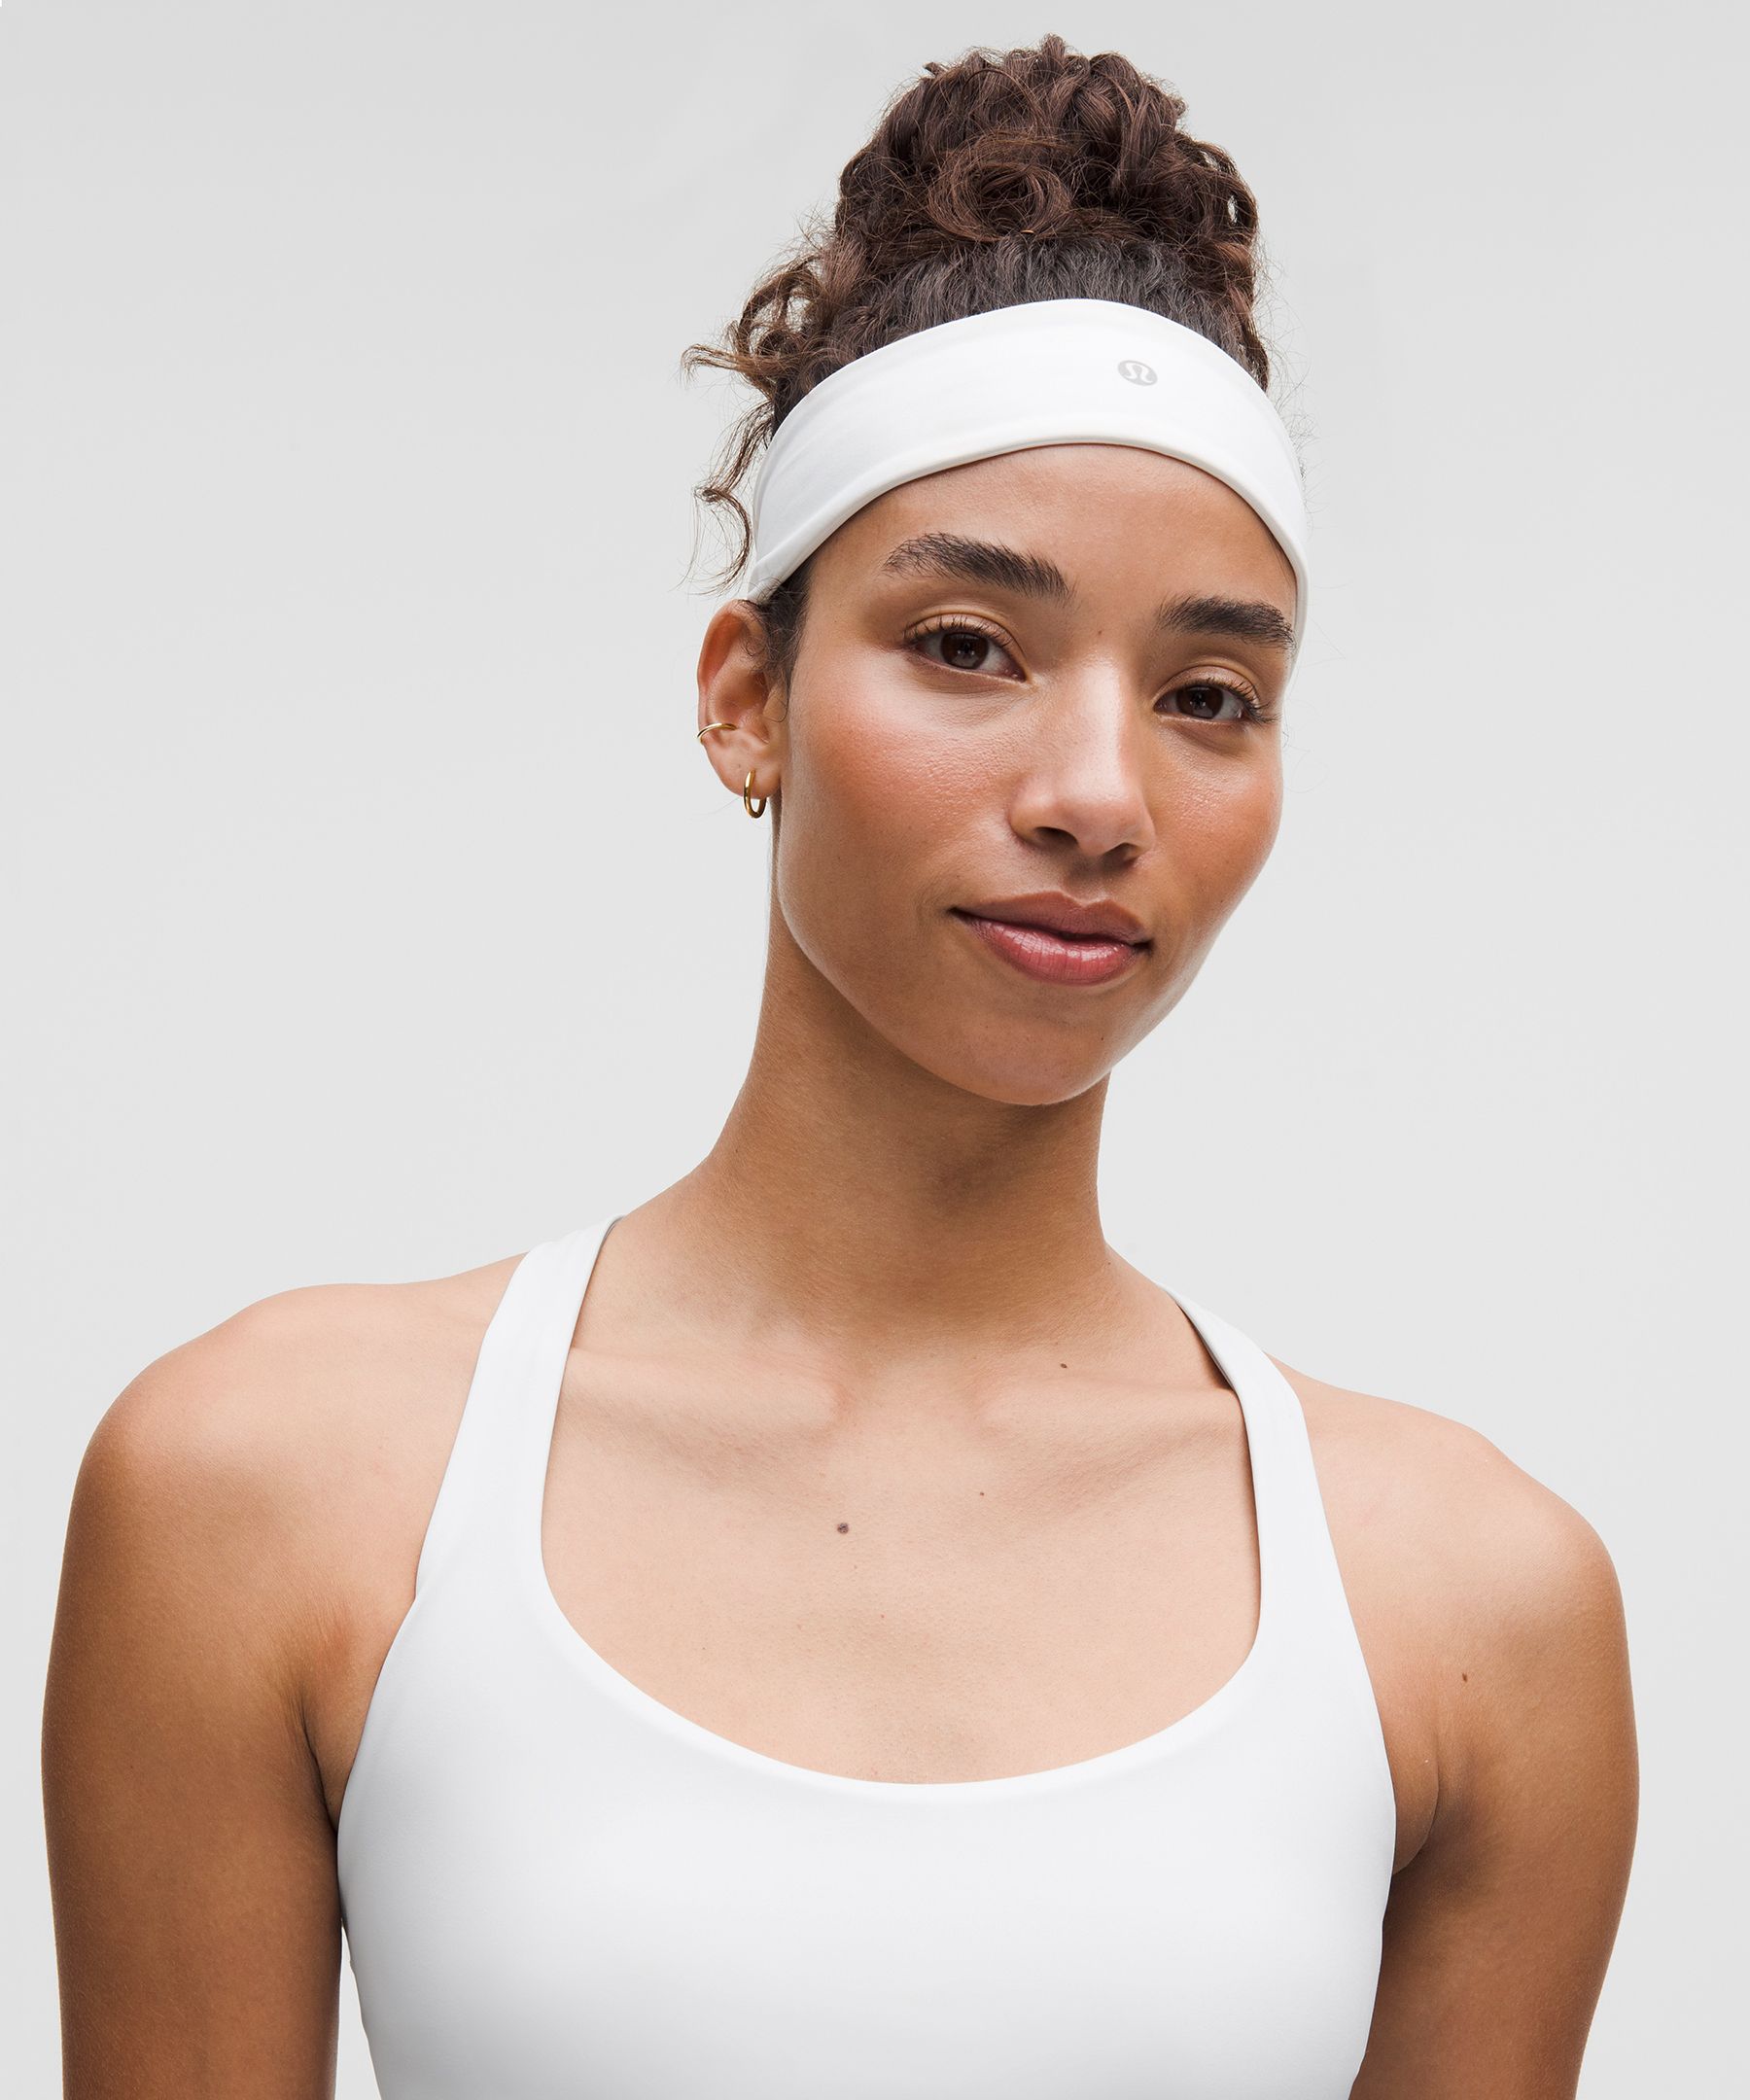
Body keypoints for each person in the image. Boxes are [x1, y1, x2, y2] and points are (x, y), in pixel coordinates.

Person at [42, 32, 1637, 2100]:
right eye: (969, 646)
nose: (1097, 794)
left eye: (1211, 694)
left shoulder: (1473, 1606)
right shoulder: (271, 1486)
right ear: (748, 699)